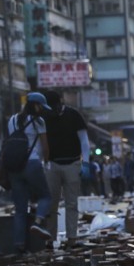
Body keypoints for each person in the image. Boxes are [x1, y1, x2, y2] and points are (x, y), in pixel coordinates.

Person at [7, 92, 53, 251]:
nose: (42, 110)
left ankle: (19, 245)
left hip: (14, 167)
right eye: (41, 106)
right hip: (32, 164)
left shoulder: (12, 120)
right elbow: (46, 147)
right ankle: (38, 223)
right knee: (45, 196)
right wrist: (47, 163)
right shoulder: (39, 122)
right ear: (35, 105)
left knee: (20, 208)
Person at [41, 91, 89, 246]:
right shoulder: (44, 117)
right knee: (51, 204)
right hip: (52, 164)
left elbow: (84, 140)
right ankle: (50, 237)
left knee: (71, 203)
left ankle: (71, 238)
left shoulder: (73, 115)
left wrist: (86, 163)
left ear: (60, 102)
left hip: (73, 163)